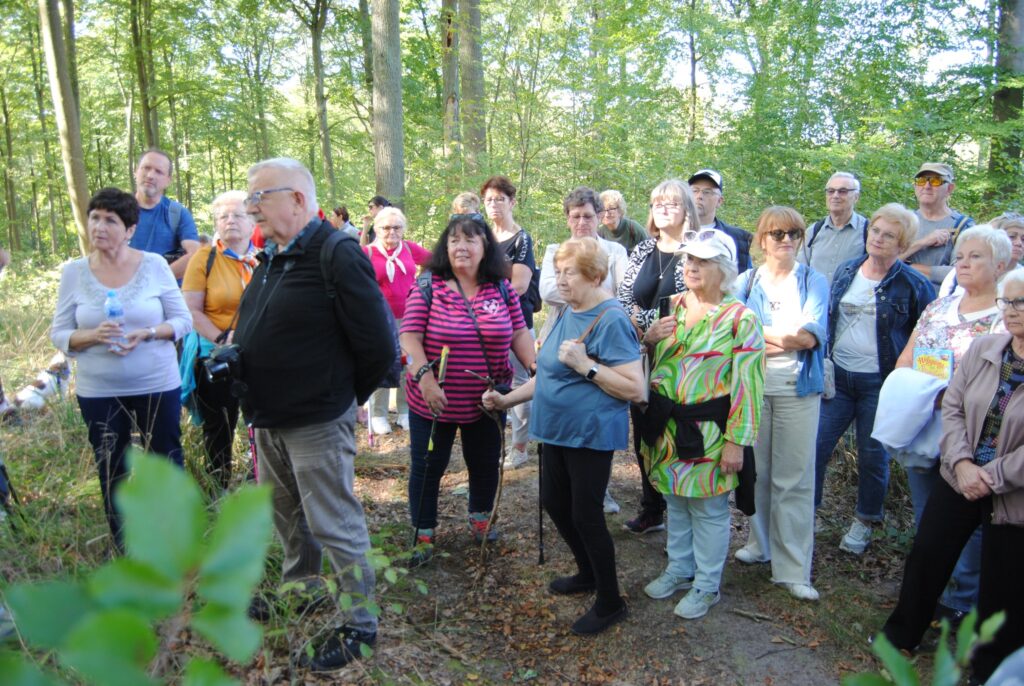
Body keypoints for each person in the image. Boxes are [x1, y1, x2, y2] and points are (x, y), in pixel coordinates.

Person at [234, 158, 395, 671]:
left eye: (259, 197)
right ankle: (301, 589)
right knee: (287, 513)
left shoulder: (335, 251)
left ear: (298, 199)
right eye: (249, 199)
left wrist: (340, 399)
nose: (250, 207)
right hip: (271, 415)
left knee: (333, 520)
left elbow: (378, 344)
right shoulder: (274, 255)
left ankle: (359, 624)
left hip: (317, 418)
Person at [483, 237, 644, 635]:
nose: (560, 279)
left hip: (589, 434)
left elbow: (636, 389)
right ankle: (587, 573)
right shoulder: (565, 312)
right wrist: (505, 401)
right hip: (554, 431)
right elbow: (546, 378)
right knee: (555, 503)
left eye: (569, 272)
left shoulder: (611, 319)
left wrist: (587, 365)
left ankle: (610, 602)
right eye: (557, 271)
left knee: (586, 515)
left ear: (595, 275)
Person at [882, 270, 1024, 684]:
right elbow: (955, 407)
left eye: (1021, 303)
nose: (1013, 312)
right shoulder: (985, 348)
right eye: (1007, 302)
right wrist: (962, 464)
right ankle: (901, 635)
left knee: (1004, 582)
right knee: (928, 555)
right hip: (960, 474)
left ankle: (990, 668)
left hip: (1011, 492)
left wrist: (989, 476)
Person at [50, 187, 192, 549]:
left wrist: (148, 333)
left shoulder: (155, 265)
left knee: (165, 463)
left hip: (157, 384)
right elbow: (60, 333)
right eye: (94, 217)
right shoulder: (75, 273)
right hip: (99, 391)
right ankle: (126, 549)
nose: (99, 226)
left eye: (110, 220)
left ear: (129, 229)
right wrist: (92, 335)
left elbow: (182, 321)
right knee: (112, 468)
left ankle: (173, 545)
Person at [639, 231, 765, 619]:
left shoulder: (741, 318)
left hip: (710, 430)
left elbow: (749, 385)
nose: (691, 265)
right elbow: (652, 361)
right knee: (676, 501)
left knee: (708, 509)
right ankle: (680, 569)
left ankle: (707, 585)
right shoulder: (671, 305)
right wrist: (648, 339)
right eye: (688, 258)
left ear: (725, 269)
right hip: (667, 426)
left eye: (703, 260)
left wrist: (736, 442)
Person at [400, 213, 535, 561]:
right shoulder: (428, 284)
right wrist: (426, 381)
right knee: (428, 465)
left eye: (470, 239)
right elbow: (409, 337)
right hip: (434, 400)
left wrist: (536, 366)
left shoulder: (501, 287)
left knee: (486, 463)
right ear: (446, 247)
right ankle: (423, 532)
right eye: (455, 240)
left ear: (485, 245)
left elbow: (519, 333)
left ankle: (480, 520)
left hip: (488, 400)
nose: (462, 246)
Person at [894, 224, 1011, 625]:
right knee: (931, 516)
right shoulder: (939, 307)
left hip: (974, 435)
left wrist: (949, 395)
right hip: (923, 422)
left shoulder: (1007, 317)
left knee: (973, 519)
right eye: (959, 255)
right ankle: (934, 593)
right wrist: (927, 391)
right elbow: (905, 359)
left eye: (975, 256)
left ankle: (965, 598)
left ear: (1001, 263)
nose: (963, 263)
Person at [814, 204, 935, 554]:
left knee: (872, 454)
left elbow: (926, 336)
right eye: (875, 231)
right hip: (839, 380)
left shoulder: (914, 285)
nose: (878, 239)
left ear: (903, 244)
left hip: (879, 384)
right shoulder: (847, 270)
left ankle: (865, 520)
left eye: (889, 235)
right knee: (817, 446)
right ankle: (810, 512)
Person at [733, 206, 828, 601]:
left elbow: (809, 338)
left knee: (794, 479)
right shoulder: (746, 280)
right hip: (753, 388)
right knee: (758, 473)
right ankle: (761, 545)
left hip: (798, 389)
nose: (785, 240)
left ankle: (792, 570)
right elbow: (735, 333)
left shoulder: (814, 281)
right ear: (761, 239)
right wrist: (777, 335)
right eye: (776, 233)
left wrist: (761, 336)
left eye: (793, 233)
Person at [617, 179, 700, 535]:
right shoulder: (643, 250)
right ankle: (652, 507)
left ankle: (684, 511)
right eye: (656, 203)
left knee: (677, 431)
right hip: (643, 353)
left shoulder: (699, 250)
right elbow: (624, 298)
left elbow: (701, 305)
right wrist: (642, 331)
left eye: (671, 203)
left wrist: (651, 327)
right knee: (645, 432)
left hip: (684, 357)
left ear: (687, 210)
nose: (663, 209)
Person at [539, 187, 629, 509]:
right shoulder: (555, 250)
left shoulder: (615, 251)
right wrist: (585, 283)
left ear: (600, 218)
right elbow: (549, 290)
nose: (581, 222)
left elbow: (623, 292)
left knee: (596, 403)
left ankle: (595, 488)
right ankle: (570, 488)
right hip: (563, 328)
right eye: (575, 216)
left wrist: (590, 291)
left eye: (588, 216)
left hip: (603, 331)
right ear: (567, 219)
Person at [181, 190, 258, 492]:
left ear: (253, 222)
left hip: (258, 357)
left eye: (238, 215)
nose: (230, 221)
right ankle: (218, 492)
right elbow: (190, 311)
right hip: (216, 357)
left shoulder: (263, 259)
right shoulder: (204, 258)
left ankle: (263, 487)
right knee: (220, 428)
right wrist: (224, 339)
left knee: (262, 425)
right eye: (223, 216)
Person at [481, 175, 540, 469]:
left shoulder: (522, 239)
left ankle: (519, 446)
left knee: (520, 382)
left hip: (516, 322)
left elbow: (518, 285)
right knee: (491, 379)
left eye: (499, 199)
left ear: (512, 202)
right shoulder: (483, 237)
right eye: (489, 200)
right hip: (483, 326)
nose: (494, 205)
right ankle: (493, 441)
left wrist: (486, 301)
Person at [363, 207, 431, 434]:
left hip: (411, 317)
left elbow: (435, 262)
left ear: (403, 229)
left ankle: (405, 410)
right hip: (378, 318)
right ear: (376, 228)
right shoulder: (367, 253)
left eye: (396, 227)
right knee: (381, 363)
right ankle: (378, 414)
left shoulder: (410, 249)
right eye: (385, 227)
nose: (391, 232)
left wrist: (422, 285)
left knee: (408, 362)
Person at [901, 162, 975, 289]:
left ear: (950, 188)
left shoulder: (963, 226)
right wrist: (924, 242)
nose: (927, 186)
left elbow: (959, 273)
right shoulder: (904, 220)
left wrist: (906, 267)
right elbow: (883, 262)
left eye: (935, 181)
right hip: (901, 302)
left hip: (940, 303)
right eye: (921, 180)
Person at [130, 150, 199, 280]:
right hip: (124, 292)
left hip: (165, 294)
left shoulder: (177, 214)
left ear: (168, 180)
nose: (150, 175)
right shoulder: (117, 211)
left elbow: (195, 254)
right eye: (146, 168)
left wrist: (155, 281)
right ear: (136, 171)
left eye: (159, 171)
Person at [795, 172, 870, 287]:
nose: (835, 195)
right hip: (817, 302)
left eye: (843, 191)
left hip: (850, 304)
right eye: (831, 191)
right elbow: (801, 271)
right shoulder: (813, 231)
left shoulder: (868, 232)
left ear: (856, 197)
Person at [937, 212, 1024, 297]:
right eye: (1012, 237)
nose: (1019, 243)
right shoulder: (960, 271)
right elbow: (943, 302)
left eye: (1023, 239)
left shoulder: (1021, 278)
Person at [688, 169, 753, 273]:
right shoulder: (672, 233)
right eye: (694, 191)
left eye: (707, 192)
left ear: (719, 201)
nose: (699, 196)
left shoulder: (737, 238)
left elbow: (744, 281)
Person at [598, 190, 647, 254]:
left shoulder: (633, 228)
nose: (606, 214)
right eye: (603, 209)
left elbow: (649, 252)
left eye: (611, 209)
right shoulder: (600, 234)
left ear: (620, 210)